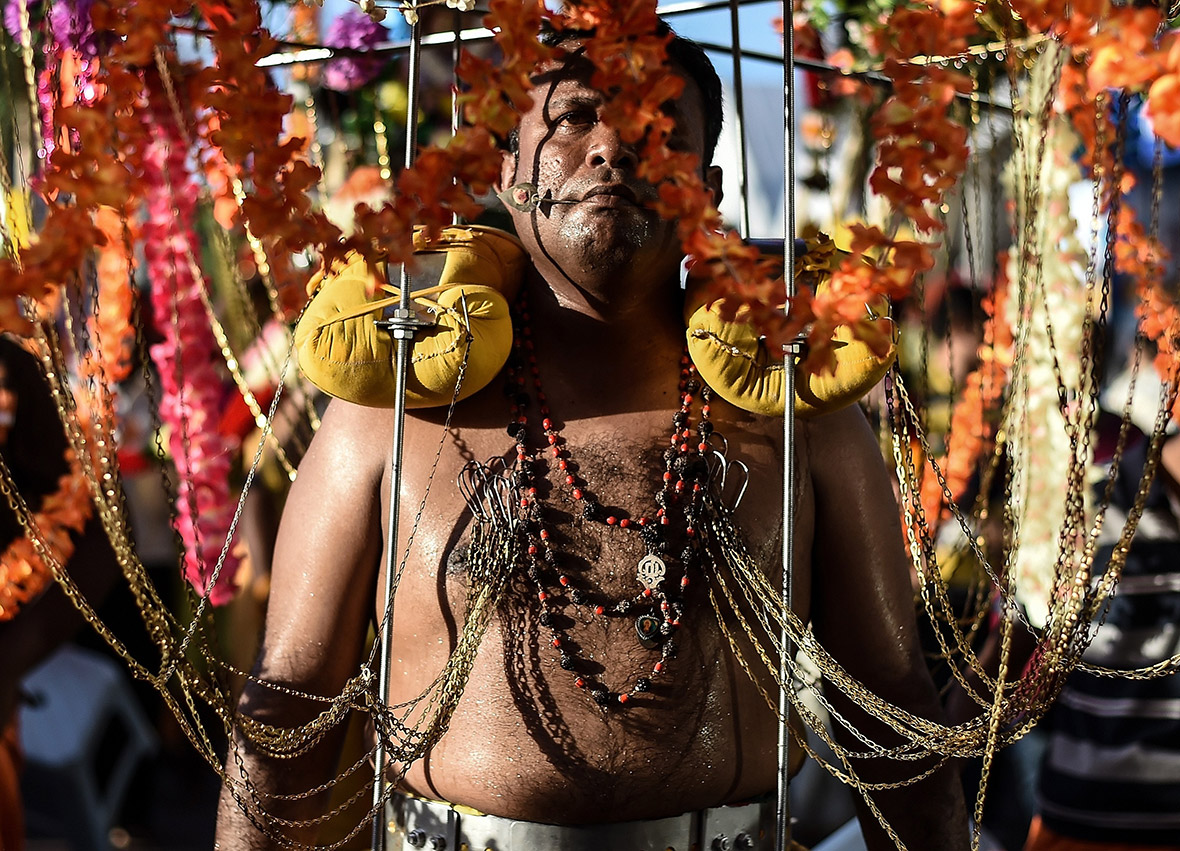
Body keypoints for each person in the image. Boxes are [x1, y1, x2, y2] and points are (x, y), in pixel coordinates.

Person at [215, 23, 969, 851]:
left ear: (706, 190)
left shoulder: (799, 408)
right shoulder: (390, 408)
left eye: (657, 131)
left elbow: (891, 700)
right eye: (573, 119)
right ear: (506, 172)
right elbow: (290, 704)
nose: (613, 148)